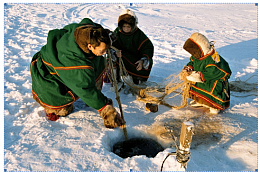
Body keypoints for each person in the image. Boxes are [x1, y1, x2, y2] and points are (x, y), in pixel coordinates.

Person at [30, 18, 125, 128]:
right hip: (49, 79)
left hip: (68, 68)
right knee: (64, 110)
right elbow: (86, 89)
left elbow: (88, 21)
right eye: (102, 51)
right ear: (90, 46)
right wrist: (105, 108)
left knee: (99, 62)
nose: (105, 53)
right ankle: (54, 107)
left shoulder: (88, 31)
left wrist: (108, 39)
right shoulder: (75, 63)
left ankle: (95, 99)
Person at [180, 32, 232, 114]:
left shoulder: (214, 59)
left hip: (213, 82)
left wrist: (198, 76)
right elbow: (192, 62)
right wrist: (189, 68)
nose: (193, 54)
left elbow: (213, 72)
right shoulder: (198, 55)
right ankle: (201, 100)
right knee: (194, 84)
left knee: (211, 87)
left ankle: (214, 105)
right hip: (202, 80)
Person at [111, 9, 154, 86]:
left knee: (146, 62)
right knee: (110, 58)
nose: (126, 29)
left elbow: (148, 47)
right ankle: (116, 80)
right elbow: (111, 45)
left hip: (136, 58)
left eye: (128, 26)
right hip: (122, 57)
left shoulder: (138, 34)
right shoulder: (117, 32)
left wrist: (143, 60)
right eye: (124, 26)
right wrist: (115, 52)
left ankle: (137, 78)